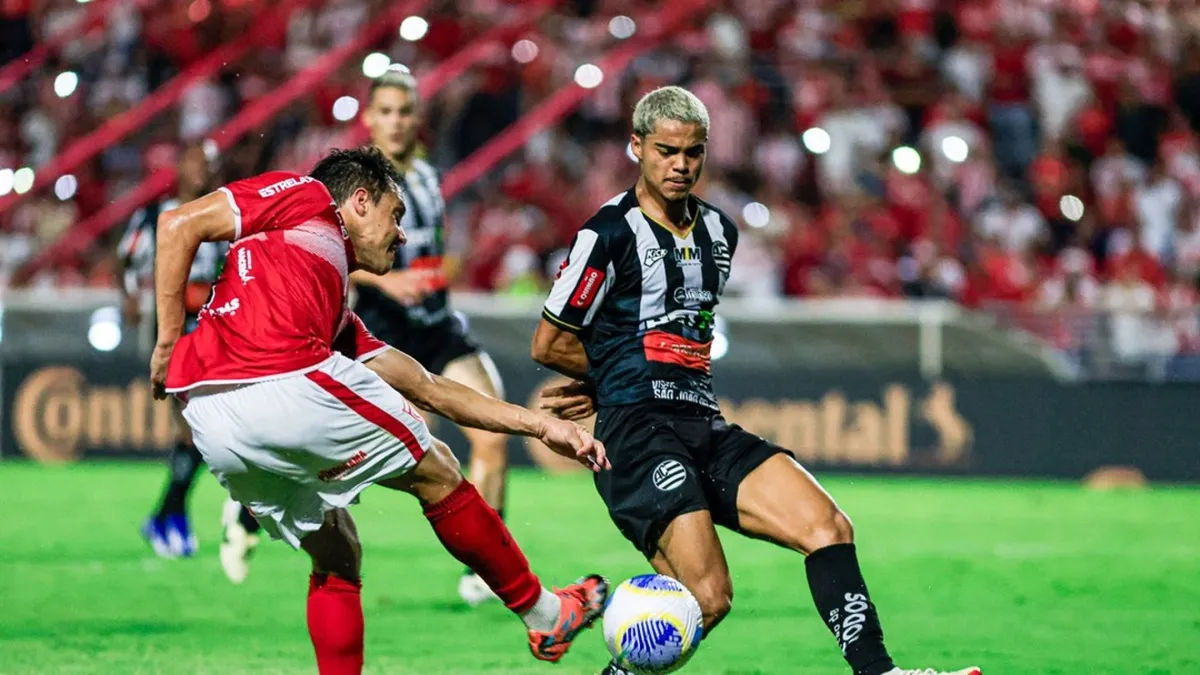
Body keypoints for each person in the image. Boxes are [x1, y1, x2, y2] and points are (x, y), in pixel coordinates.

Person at [532, 86, 981, 675]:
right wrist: (616, 380)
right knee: (707, 598)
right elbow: (550, 342)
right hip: (637, 434)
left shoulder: (721, 232)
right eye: (666, 151)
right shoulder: (608, 234)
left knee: (827, 526)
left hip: (704, 423)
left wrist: (623, 372)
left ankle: (880, 672)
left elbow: (683, 334)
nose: (681, 165)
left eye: (693, 152)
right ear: (636, 146)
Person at [151, 147, 610, 673]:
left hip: (211, 418)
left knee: (337, 552)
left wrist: (540, 425)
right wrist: (166, 342)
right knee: (438, 470)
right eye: (397, 215)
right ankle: (546, 614)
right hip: (281, 378)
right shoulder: (309, 196)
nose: (403, 235)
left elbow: (430, 388)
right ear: (360, 201)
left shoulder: (328, 314)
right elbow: (177, 224)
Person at [351, 65, 511, 606]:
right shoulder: (354, 185)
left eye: (405, 112)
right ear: (369, 118)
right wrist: (388, 282)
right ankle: (251, 511)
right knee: (351, 452)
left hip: (438, 325)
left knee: (493, 431)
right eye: (386, 112)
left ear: (417, 117)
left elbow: (432, 252)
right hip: (383, 331)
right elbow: (328, 253)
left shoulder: (427, 177)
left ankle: (487, 570)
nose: (396, 122)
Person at [120, 143, 262, 580]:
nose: (203, 171)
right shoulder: (156, 215)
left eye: (209, 164)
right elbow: (126, 258)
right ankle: (175, 515)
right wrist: (129, 296)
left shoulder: (225, 213)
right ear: (180, 167)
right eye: (197, 162)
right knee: (193, 428)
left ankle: (168, 515)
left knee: (204, 429)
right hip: (175, 328)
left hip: (217, 329)